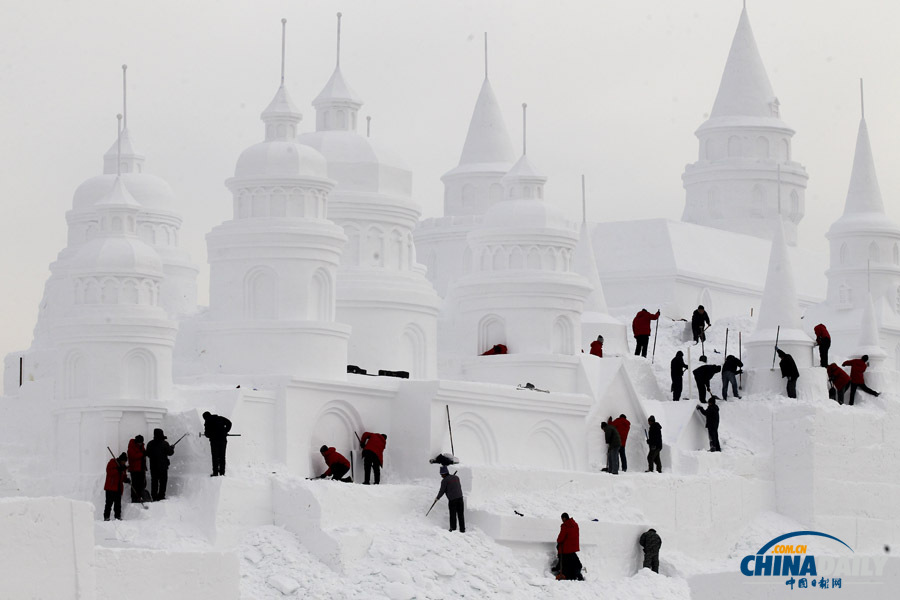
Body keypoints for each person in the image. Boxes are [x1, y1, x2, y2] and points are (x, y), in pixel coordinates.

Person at [145, 428, 174, 501]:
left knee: (154, 482)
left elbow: (147, 454)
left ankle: (154, 496)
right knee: (163, 482)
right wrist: (172, 448)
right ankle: (161, 496)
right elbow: (170, 453)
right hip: (163, 467)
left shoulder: (150, 443)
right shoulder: (164, 443)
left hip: (153, 467)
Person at [435, 466, 464, 533]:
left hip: (453, 500)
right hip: (460, 498)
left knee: (453, 515)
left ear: (444, 473)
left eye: (441, 474)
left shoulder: (444, 481)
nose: (441, 476)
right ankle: (462, 529)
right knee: (460, 515)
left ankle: (453, 529)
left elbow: (442, 491)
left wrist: (437, 498)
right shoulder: (456, 477)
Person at [202, 411, 232, 477]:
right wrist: (225, 431)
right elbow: (229, 423)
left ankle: (215, 472)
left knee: (215, 456)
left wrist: (210, 434)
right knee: (222, 456)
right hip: (223, 440)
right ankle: (222, 472)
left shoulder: (207, 422)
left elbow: (207, 434)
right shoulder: (220, 418)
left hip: (214, 441)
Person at [556, 513, 584, 581]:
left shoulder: (565, 525)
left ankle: (567, 575)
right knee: (575, 563)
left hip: (566, 548)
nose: (562, 520)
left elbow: (561, 538)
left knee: (565, 563)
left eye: (562, 518)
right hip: (573, 547)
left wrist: (558, 541)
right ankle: (577, 575)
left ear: (564, 518)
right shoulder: (575, 524)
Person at [103, 452, 129, 521]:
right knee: (109, 503)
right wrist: (118, 470)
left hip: (118, 488)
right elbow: (109, 472)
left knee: (118, 504)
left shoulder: (122, 467)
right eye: (124, 461)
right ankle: (106, 517)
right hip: (110, 487)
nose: (124, 463)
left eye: (125, 461)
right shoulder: (112, 462)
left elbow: (123, 476)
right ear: (120, 460)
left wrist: (126, 479)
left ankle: (118, 516)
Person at [127, 435, 147, 503]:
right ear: (136, 442)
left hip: (141, 468)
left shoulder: (142, 447)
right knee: (135, 484)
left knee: (142, 484)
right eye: (139, 442)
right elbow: (133, 456)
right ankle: (135, 498)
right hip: (134, 469)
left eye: (141, 442)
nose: (140, 443)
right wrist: (142, 454)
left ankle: (140, 497)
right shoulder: (131, 447)